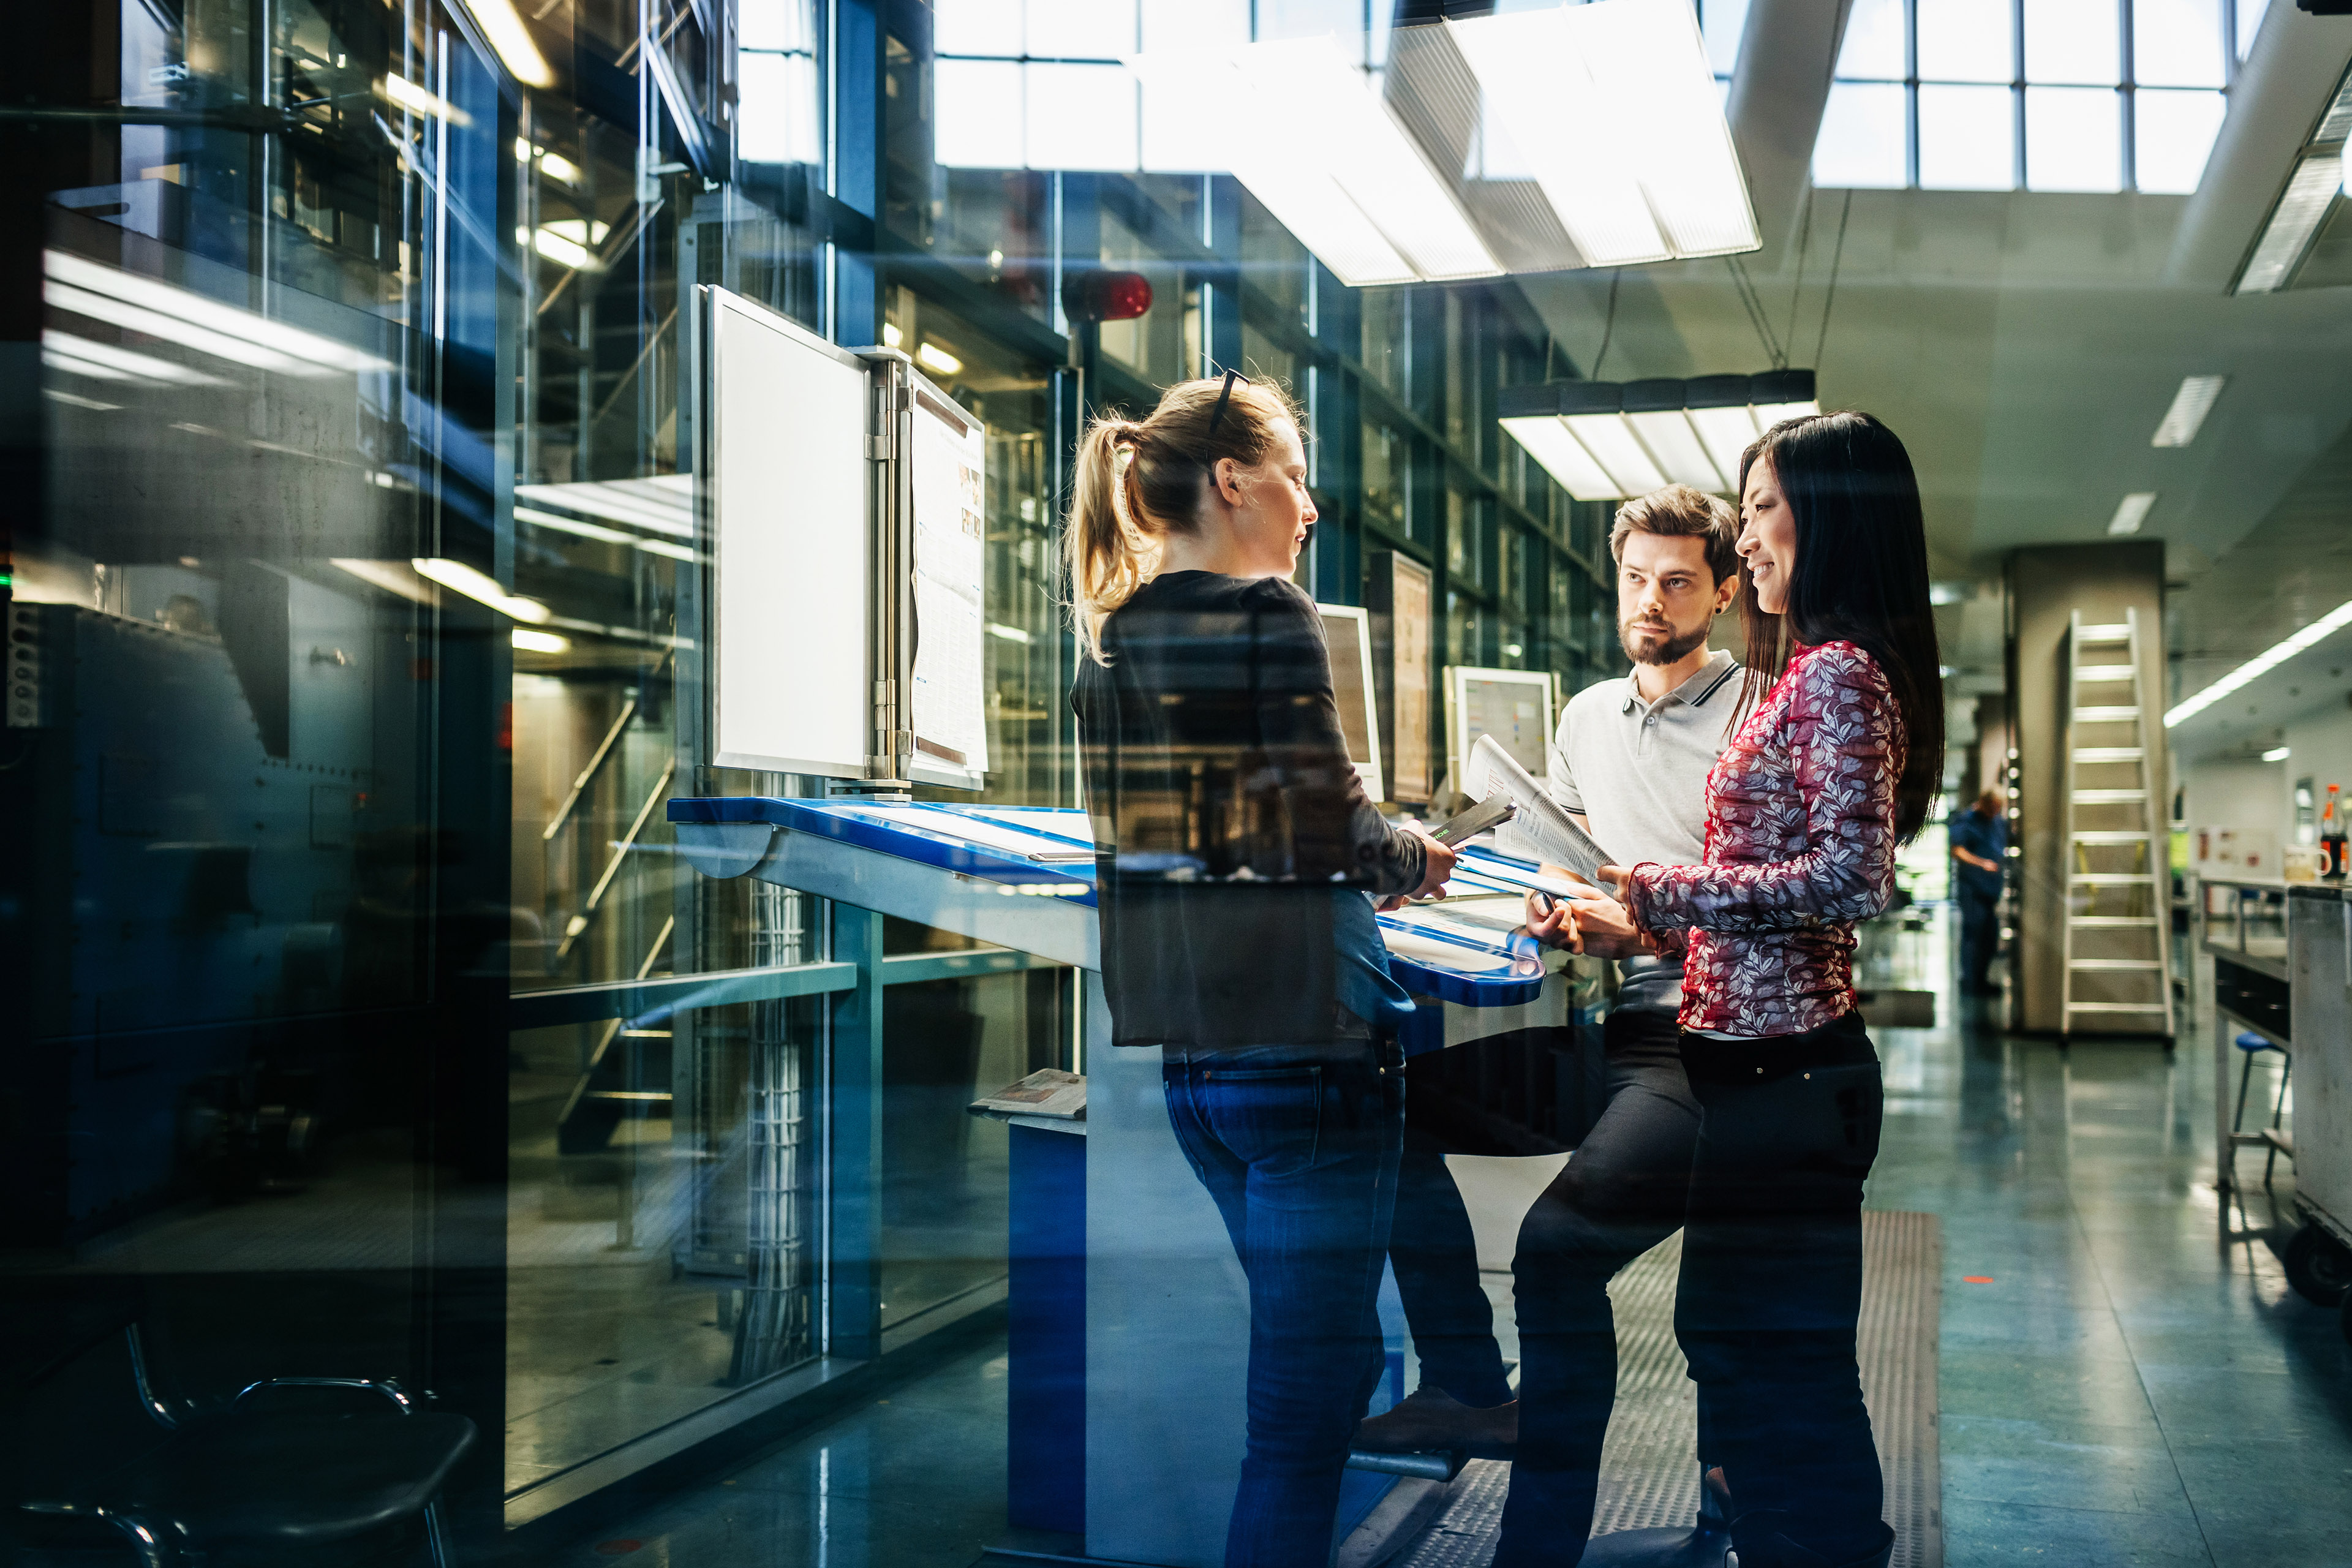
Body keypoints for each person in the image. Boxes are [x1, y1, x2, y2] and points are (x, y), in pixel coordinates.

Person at [1531, 412, 1943, 1568]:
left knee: (1784, 1365)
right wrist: (1640, 916)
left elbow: (1850, 880)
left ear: (1831, 517)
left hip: (1790, 1075)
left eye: (1764, 508)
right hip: (1749, 1065)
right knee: (1740, 1343)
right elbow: (1779, 884)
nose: (1750, 536)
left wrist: (1659, 891)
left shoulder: (1840, 676)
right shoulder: (1804, 673)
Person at [1066, 371, 1455, 1568]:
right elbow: (1324, 825)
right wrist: (1414, 849)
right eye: (1297, 472)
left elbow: (1184, 843)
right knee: (1294, 1419)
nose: (1313, 504)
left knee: (1326, 1364)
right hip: (1309, 1053)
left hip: (1201, 1072)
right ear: (1233, 480)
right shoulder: (1269, 609)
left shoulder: (1114, 637)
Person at [1358, 487, 1748, 1564]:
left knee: (1559, 1246)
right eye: (1636, 579)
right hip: (1620, 1029)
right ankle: (1469, 1383)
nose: (1653, 602)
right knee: (1378, 1105)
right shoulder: (1585, 717)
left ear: (1723, 589)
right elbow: (1570, 864)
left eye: (1678, 582)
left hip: (1716, 1043)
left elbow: (1773, 895)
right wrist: (1544, 898)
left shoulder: (1759, 713)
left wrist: (1644, 923)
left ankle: (1532, 1550)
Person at [1948, 789, 2008, 995]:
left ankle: (1982, 979)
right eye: (1993, 807)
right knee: (1973, 934)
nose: (1996, 811)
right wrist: (1982, 864)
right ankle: (1970, 982)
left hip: (1991, 889)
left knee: (1989, 936)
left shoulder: (1997, 822)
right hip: (1973, 888)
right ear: (1984, 802)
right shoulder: (1966, 820)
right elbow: (1957, 850)